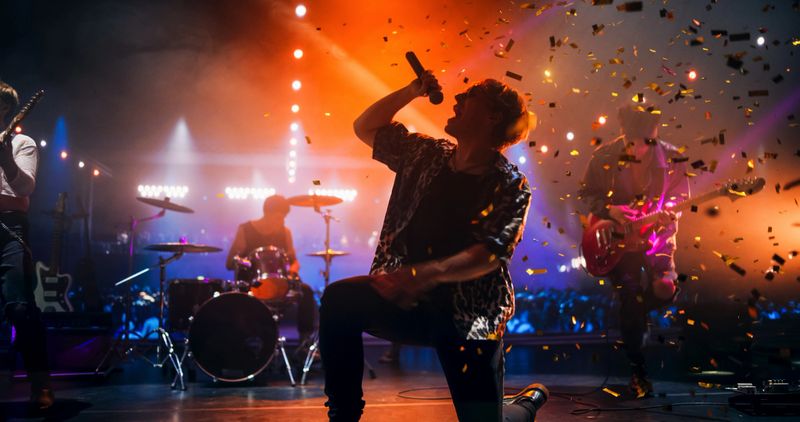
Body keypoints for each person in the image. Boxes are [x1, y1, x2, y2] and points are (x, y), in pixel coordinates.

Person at [319, 71, 548, 422]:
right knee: (339, 300)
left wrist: (426, 274)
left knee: (486, 421)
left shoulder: (510, 184)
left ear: (492, 117)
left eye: (469, 96)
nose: (456, 100)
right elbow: (365, 127)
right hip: (409, 302)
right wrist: (412, 91)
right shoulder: (426, 154)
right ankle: (343, 415)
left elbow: (491, 252)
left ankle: (526, 405)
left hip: (469, 317)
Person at [578, 104, 689, 398]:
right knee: (629, 296)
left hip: (657, 239)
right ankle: (639, 372)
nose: (639, 149)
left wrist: (670, 213)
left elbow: (679, 196)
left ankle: (633, 317)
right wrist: (609, 209)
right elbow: (585, 194)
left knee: (666, 289)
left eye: (646, 143)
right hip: (617, 241)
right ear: (624, 133)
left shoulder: (675, 156)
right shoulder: (603, 156)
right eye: (633, 143)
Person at [0, 80, 53, 409]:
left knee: (19, 306)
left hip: (8, 228)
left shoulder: (22, 143)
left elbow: (24, 189)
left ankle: (40, 384)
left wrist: (6, 160)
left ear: (6, 107)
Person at [226, 195, 317, 344]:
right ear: (267, 213)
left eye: (284, 217)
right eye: (279, 217)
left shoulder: (285, 232)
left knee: (306, 291)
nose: (282, 221)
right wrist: (244, 263)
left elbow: (294, 261)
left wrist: (293, 270)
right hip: (253, 284)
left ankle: (304, 343)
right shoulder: (245, 230)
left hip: (279, 284)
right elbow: (230, 263)